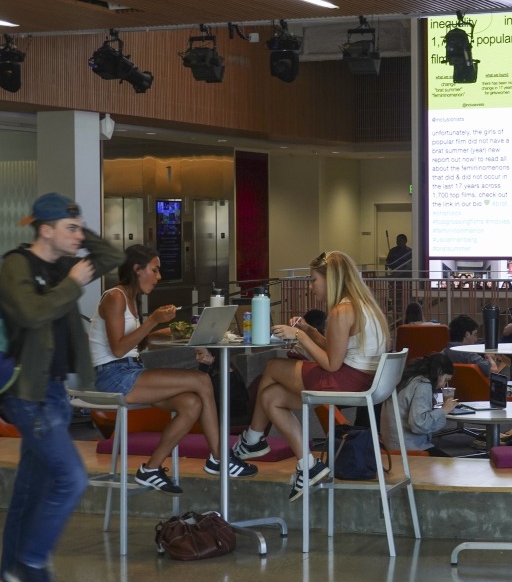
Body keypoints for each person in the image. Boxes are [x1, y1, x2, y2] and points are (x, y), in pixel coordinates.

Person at [0, 192, 124, 582]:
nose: (78, 235)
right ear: (45, 229)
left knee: (28, 491)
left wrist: (78, 229)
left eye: (79, 228)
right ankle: (31, 563)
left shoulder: (65, 262)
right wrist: (71, 284)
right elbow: (31, 312)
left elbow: (112, 259)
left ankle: (8, 571)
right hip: (26, 393)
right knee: (72, 478)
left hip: (53, 393)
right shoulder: (16, 265)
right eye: (69, 228)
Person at [88, 245, 257, 494]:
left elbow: (138, 342)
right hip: (113, 375)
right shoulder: (115, 297)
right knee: (201, 381)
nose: (159, 277)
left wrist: (179, 334)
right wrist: (154, 320)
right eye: (154, 270)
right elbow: (117, 349)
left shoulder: (131, 298)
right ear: (137, 269)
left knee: (191, 404)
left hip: (129, 370)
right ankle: (221, 458)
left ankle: (151, 469)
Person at [232, 250, 388, 502]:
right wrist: (310, 331)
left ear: (331, 279)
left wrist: (299, 337)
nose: (310, 285)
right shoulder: (361, 304)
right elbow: (335, 349)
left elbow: (331, 364)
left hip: (345, 380)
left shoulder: (341, 310)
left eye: (314, 279)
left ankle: (252, 439)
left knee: (272, 366)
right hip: (362, 380)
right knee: (271, 396)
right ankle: (308, 465)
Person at [381, 353, 457, 456]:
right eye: (446, 380)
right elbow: (419, 424)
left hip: (390, 444)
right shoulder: (423, 385)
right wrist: (443, 410)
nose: (444, 385)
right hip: (408, 447)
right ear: (438, 372)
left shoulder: (407, 379)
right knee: (451, 465)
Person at [444, 314, 509, 376]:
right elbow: (493, 370)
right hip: (481, 386)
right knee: (505, 361)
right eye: (474, 334)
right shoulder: (468, 355)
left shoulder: (444, 352)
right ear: (467, 335)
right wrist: (489, 356)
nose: (476, 339)